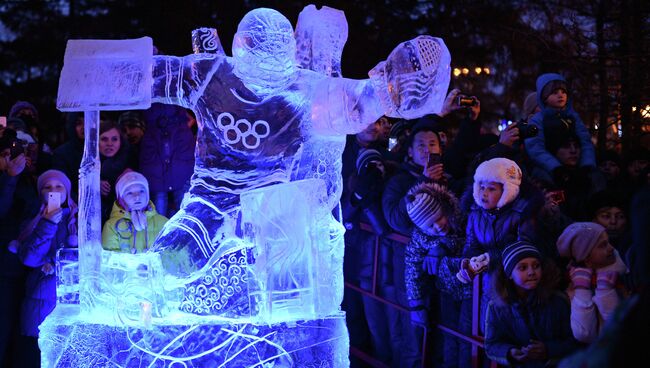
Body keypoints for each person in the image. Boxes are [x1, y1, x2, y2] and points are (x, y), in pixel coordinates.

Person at [458, 157, 543, 333]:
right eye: (481, 187)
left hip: (512, 281)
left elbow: (524, 245)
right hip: (486, 280)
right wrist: (470, 260)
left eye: (491, 188)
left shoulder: (522, 212)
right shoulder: (475, 211)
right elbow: (471, 242)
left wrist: (491, 258)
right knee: (486, 326)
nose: (484, 193)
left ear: (507, 191)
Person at [13, 170, 77, 367]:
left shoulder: (77, 219)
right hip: (39, 300)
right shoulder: (32, 221)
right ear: (40, 193)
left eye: (59, 187)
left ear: (67, 191)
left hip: (70, 300)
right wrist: (48, 223)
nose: (53, 191)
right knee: (36, 356)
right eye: (47, 187)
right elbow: (30, 258)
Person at [405, 182, 471, 368]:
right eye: (430, 226)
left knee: (468, 340)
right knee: (450, 338)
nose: (438, 226)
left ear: (445, 210)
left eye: (439, 218)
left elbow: (471, 243)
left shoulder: (462, 218)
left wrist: (444, 245)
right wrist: (416, 305)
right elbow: (412, 269)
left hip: (472, 293)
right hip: (447, 293)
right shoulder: (420, 238)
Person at [484, 241, 578, 367]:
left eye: (536, 266)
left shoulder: (558, 301)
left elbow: (573, 341)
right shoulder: (497, 307)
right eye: (523, 268)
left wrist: (548, 350)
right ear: (509, 274)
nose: (531, 272)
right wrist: (510, 352)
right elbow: (492, 344)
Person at [556, 222, 629, 344]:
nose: (611, 248)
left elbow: (622, 328)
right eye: (602, 245)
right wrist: (582, 290)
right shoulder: (572, 286)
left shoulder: (626, 275)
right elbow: (584, 334)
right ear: (586, 258)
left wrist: (606, 291)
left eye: (608, 242)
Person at [524, 73, 597, 185]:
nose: (560, 95)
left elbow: (585, 141)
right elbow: (535, 147)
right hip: (548, 169)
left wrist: (586, 164)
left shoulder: (573, 117)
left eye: (564, 92)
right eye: (554, 92)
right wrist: (555, 167)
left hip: (575, 165)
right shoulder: (538, 120)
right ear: (544, 97)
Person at [140, 103, 195, 218]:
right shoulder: (178, 124)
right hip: (166, 174)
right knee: (181, 216)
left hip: (179, 173)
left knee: (184, 215)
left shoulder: (180, 126)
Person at [102, 171, 168, 254]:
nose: (137, 196)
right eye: (129, 193)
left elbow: (173, 254)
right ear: (121, 199)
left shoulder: (164, 223)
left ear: (147, 195)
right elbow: (110, 261)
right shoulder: (112, 226)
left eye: (141, 191)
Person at [99, 119, 134, 224]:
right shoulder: (88, 163)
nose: (109, 144)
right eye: (104, 139)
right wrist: (93, 184)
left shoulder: (132, 160)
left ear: (121, 141)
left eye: (114, 139)